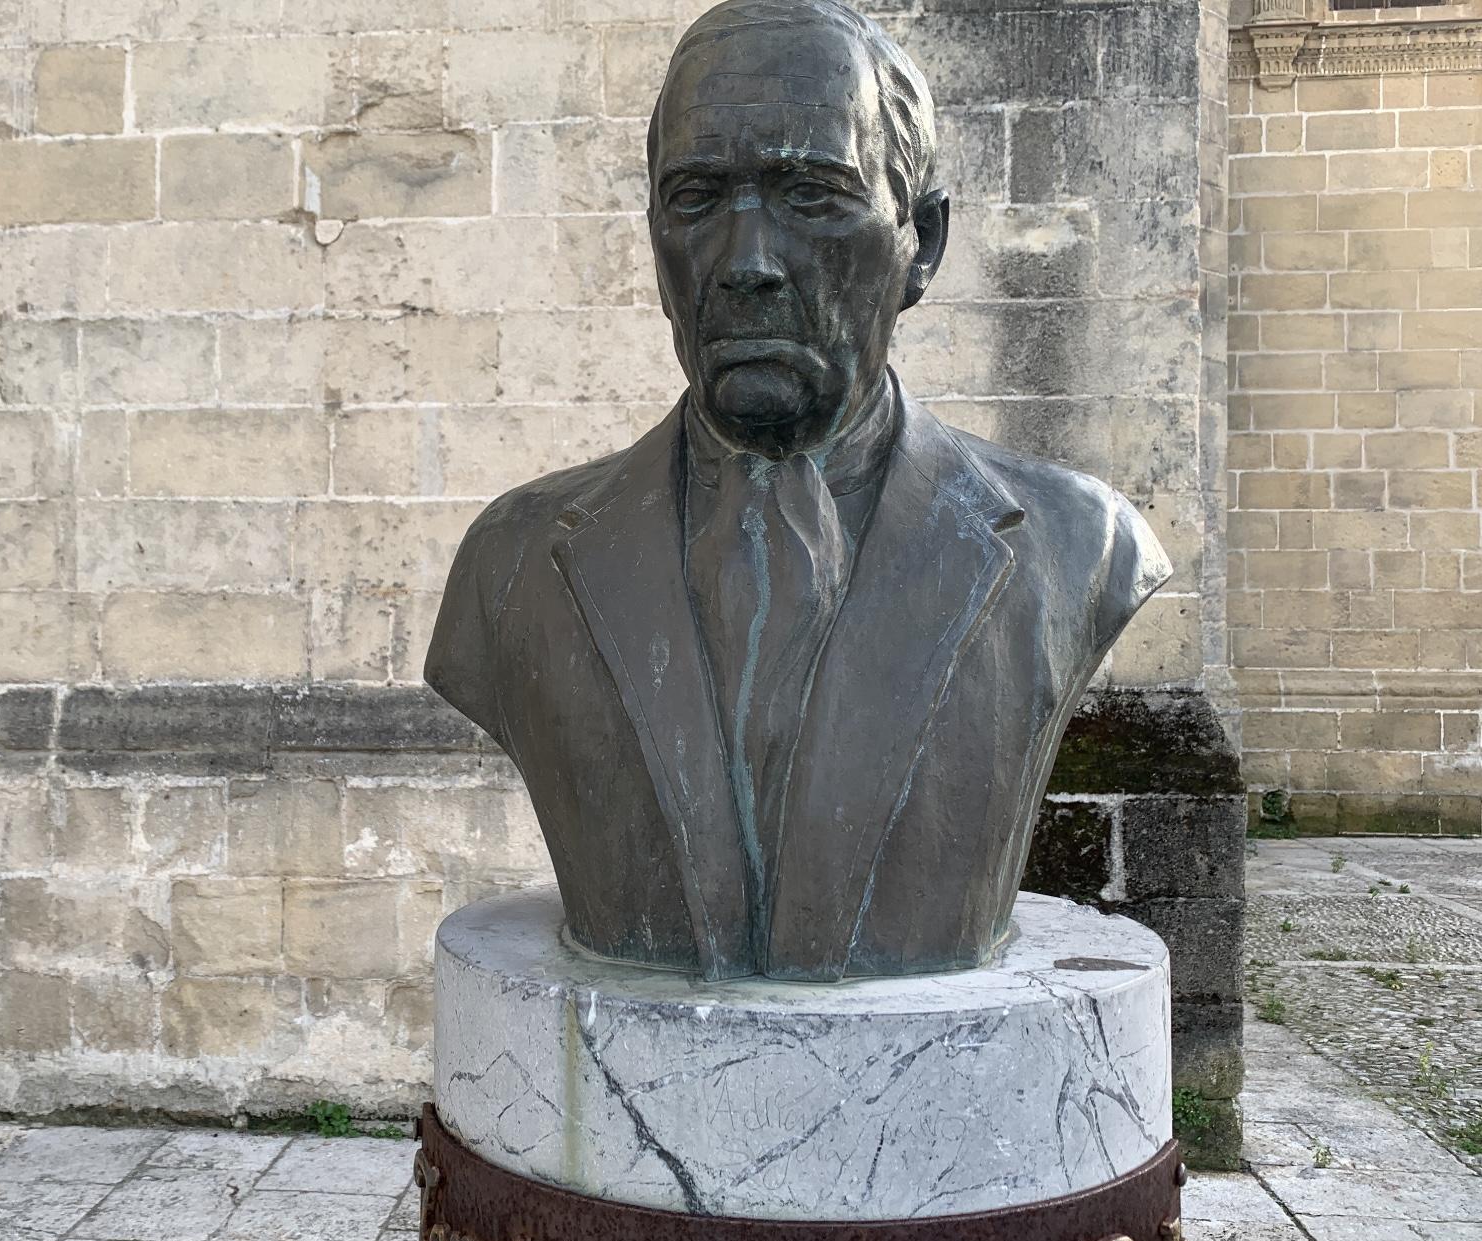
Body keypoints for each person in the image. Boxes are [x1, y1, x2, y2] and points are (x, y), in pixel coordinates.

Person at [426, 0, 1170, 982]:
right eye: (697, 198)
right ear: (654, 237)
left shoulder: (1081, 547)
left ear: (924, 242)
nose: (749, 264)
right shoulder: (512, 565)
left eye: (812, 195)